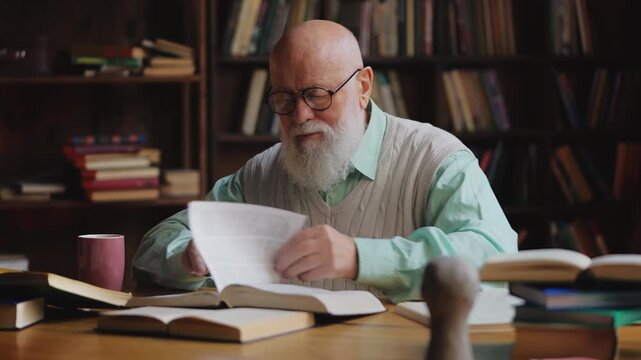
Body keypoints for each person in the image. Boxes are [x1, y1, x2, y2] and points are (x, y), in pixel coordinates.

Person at [132, 20, 517, 303]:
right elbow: (153, 248)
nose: (299, 116)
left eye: (317, 95)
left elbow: (495, 261)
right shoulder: (259, 174)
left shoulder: (436, 159)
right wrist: (188, 257)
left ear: (363, 87)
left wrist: (361, 257)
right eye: (284, 98)